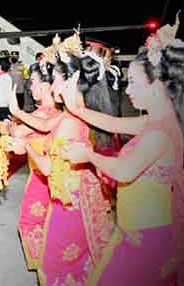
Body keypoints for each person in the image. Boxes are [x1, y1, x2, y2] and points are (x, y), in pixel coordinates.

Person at [61, 22, 184, 285]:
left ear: (156, 86)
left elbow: (126, 170)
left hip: (148, 239)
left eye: (134, 82)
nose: (127, 90)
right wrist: (78, 107)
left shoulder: (160, 132)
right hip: (135, 230)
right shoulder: (156, 122)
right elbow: (112, 124)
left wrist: (89, 156)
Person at [7, 32, 114, 286]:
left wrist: (26, 147)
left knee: (56, 270)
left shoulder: (68, 122)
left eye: (54, 80)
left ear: (72, 81)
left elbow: (48, 168)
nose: (51, 86)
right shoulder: (85, 117)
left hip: (67, 209)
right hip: (77, 205)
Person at [4, 60, 61, 272]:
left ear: (47, 85)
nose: (30, 87)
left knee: (32, 223)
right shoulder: (50, 111)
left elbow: (19, 133)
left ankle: (46, 268)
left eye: (34, 82)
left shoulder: (46, 113)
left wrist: (13, 118)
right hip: (43, 175)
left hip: (43, 179)